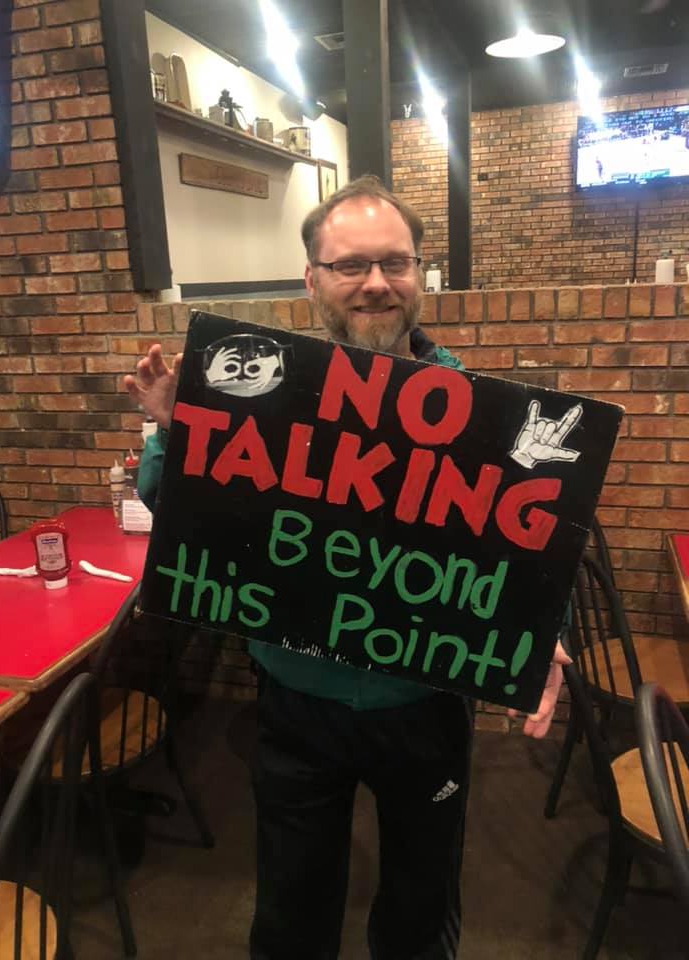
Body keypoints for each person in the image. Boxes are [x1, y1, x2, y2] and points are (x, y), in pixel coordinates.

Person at [125, 175, 570, 960]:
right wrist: (175, 431)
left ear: (421, 274)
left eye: (395, 263)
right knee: (292, 912)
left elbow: (519, 546)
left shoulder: (474, 404)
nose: (375, 283)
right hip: (297, 701)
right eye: (350, 265)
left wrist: (538, 635)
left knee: (419, 912)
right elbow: (175, 511)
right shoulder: (253, 397)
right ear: (312, 281)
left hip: (426, 705)